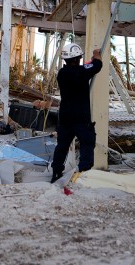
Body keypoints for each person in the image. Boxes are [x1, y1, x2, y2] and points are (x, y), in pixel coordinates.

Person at [50, 42, 102, 183]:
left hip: (65, 117)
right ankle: (83, 172)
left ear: (65, 59)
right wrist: (96, 56)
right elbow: (97, 66)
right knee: (87, 142)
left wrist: (92, 61)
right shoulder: (82, 71)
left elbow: (87, 68)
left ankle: (56, 172)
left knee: (62, 145)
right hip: (81, 116)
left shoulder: (62, 73)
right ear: (78, 57)